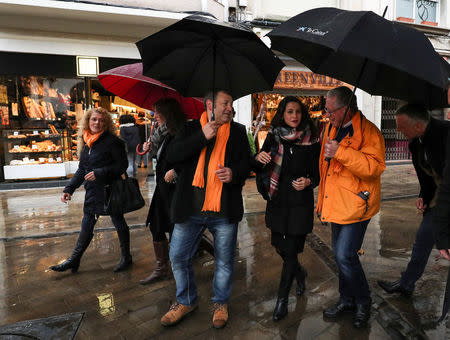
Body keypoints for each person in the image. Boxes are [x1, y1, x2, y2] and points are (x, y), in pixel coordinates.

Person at [160, 90, 251, 329]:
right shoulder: (190, 129)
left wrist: (234, 174)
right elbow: (173, 155)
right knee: (178, 256)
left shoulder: (239, 132)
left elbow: (246, 164)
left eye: (231, 103)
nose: (230, 107)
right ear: (210, 105)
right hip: (190, 208)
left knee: (224, 261)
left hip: (223, 210)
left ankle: (220, 303)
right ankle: (186, 301)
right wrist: (202, 136)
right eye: (225, 103)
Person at [317, 86, 386, 328]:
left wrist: (341, 152)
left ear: (346, 108)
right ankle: (347, 299)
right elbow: (326, 170)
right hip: (335, 202)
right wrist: (321, 202)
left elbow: (374, 168)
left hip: (357, 204)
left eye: (330, 110)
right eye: (326, 110)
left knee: (346, 254)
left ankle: (363, 301)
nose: (327, 115)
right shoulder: (331, 128)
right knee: (339, 256)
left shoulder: (370, 132)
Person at [253, 96, 320, 321]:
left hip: (300, 204)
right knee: (279, 247)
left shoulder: (312, 140)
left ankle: (282, 300)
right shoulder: (272, 138)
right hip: (278, 201)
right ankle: (300, 273)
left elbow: (318, 173)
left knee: (290, 251)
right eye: (290, 112)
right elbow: (259, 165)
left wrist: (308, 181)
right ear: (282, 114)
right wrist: (258, 157)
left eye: (298, 112)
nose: (294, 116)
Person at [377, 104, 450, 295]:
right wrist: (422, 195)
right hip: (437, 201)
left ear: (418, 125)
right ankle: (407, 283)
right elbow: (426, 176)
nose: (398, 131)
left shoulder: (445, 134)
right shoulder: (416, 142)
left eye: (401, 127)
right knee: (422, 240)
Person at [50, 107, 133, 273]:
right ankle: (75, 259)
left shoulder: (113, 141)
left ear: (107, 123)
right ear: (88, 121)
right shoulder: (86, 141)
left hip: (111, 190)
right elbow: (82, 169)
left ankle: (126, 257)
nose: (97, 123)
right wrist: (69, 188)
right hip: (93, 192)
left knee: (118, 221)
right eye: (94, 119)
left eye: (102, 120)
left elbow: (122, 166)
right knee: (87, 223)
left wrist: (100, 172)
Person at [139, 98, 185, 285]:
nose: (154, 115)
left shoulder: (182, 132)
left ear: (168, 113)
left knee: (176, 229)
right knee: (156, 225)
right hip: (162, 188)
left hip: (177, 189)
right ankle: (161, 268)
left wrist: (176, 171)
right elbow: (159, 156)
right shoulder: (160, 133)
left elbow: (190, 158)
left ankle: (177, 267)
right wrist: (148, 148)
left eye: (157, 112)